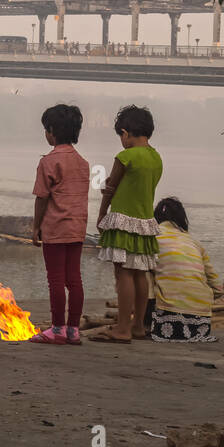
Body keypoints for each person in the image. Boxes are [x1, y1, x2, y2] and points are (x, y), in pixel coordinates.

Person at [91, 105, 163, 343]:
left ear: (125, 132)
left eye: (121, 136)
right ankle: (138, 326)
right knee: (140, 273)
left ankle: (121, 329)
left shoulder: (125, 156)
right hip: (145, 221)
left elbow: (110, 189)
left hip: (123, 219)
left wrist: (101, 215)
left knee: (123, 273)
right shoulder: (155, 158)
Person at [29, 104, 92, 345]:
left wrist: (36, 227)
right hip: (77, 228)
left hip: (55, 228)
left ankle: (56, 329)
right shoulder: (83, 163)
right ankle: (73, 330)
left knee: (55, 278)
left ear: (52, 131)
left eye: (46, 129)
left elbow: (42, 198)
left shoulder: (49, 161)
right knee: (74, 279)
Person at [150, 197, 224, 342]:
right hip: (201, 324)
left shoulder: (152, 239)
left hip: (166, 319)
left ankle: (142, 323)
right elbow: (218, 288)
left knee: (142, 273)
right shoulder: (195, 243)